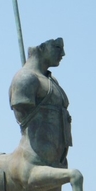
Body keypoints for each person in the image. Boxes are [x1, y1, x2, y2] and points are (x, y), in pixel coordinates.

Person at [9, 37, 72, 167]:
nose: (63, 54)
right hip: (35, 158)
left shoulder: (51, 81)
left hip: (57, 161)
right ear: (41, 48)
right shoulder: (26, 78)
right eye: (57, 47)